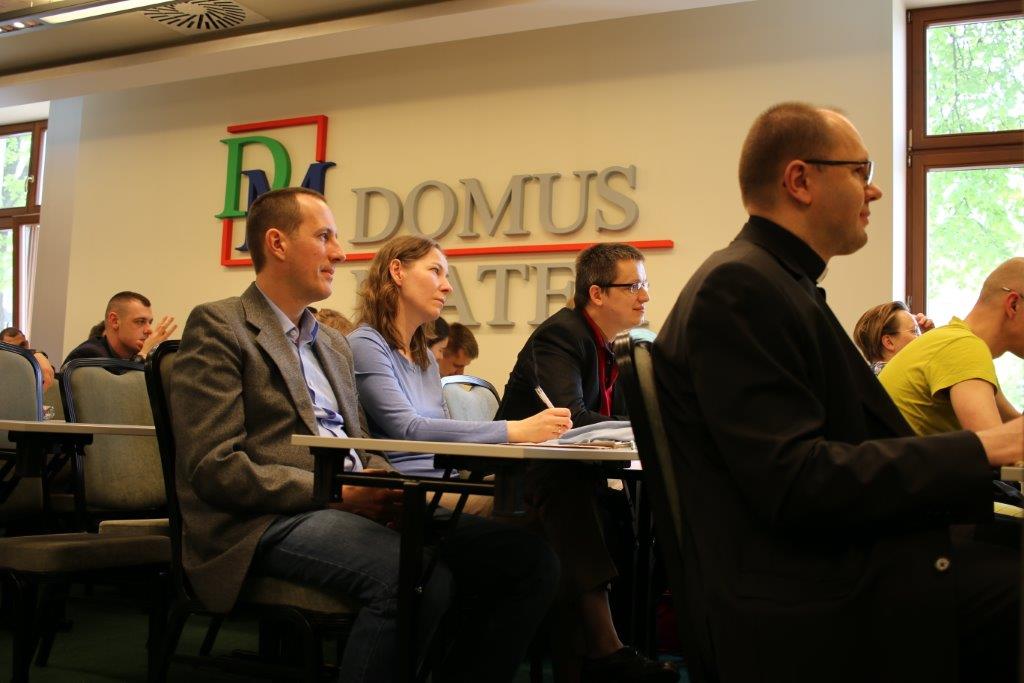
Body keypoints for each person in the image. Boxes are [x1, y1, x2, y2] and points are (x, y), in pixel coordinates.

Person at [654, 102, 1022, 682]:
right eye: (860, 171)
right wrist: (987, 447)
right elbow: (797, 482)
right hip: (806, 597)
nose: (874, 191)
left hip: (825, 565)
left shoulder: (776, 283)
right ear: (800, 180)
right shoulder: (742, 286)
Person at [170, 187, 559, 683]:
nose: (340, 253)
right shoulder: (221, 325)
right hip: (263, 520)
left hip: (350, 501)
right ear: (277, 243)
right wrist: (336, 493)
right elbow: (214, 467)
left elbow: (362, 446)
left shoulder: (332, 343)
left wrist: (382, 486)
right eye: (325, 237)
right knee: (414, 574)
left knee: (530, 561)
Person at [497, 242, 672, 683]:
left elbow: (624, 419)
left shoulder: (615, 346)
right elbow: (571, 419)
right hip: (518, 478)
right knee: (576, 492)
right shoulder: (561, 335)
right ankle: (606, 650)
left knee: (650, 503)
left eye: (645, 285)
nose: (645, 296)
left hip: (572, 474)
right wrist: (646, 427)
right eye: (633, 286)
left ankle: (626, 644)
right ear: (596, 293)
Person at [347, 234, 573, 481]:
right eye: (435, 271)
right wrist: (516, 429)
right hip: (410, 486)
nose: (448, 286)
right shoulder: (365, 344)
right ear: (397, 271)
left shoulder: (426, 358)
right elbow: (409, 428)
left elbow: (443, 436)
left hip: (449, 480)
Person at [878, 259, 1023, 436]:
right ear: (1013, 305)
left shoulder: (956, 342)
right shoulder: (963, 347)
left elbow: (1016, 425)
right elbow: (997, 446)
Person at [64, 291, 176, 365]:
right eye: (140, 321)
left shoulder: (137, 356)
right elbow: (120, 390)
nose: (149, 330)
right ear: (115, 321)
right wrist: (143, 355)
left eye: (150, 322)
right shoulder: (88, 354)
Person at [852, 300, 934, 373]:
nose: (921, 338)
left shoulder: (870, 378)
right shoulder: (907, 378)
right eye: (915, 331)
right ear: (889, 342)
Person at [1, 326, 55, 391]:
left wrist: (39, 356)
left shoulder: (37, 360)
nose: (18, 351)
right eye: (10, 348)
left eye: (22, 345)